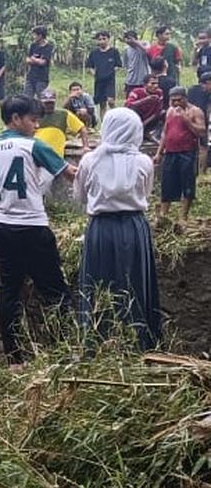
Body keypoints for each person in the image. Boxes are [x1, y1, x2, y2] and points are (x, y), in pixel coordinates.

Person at [0, 96, 75, 363]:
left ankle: (13, 354)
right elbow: (69, 173)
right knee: (54, 288)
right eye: (32, 119)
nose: (36, 125)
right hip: (33, 225)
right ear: (16, 118)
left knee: (9, 290)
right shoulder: (32, 146)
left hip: (4, 228)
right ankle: (69, 347)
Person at [74, 108, 161, 350]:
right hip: (134, 228)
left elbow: (80, 196)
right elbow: (146, 193)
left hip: (101, 229)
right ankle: (138, 341)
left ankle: (97, 340)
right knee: (133, 281)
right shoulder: (143, 161)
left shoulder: (89, 160)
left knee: (99, 282)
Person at [155, 86, 205, 223]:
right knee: (167, 183)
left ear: (185, 98)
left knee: (187, 183)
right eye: (173, 100)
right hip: (170, 152)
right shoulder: (170, 111)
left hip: (187, 152)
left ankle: (183, 216)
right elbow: (165, 132)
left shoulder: (195, 111)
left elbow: (201, 132)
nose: (176, 103)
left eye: (179, 100)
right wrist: (159, 152)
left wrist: (186, 119)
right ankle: (163, 214)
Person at [35, 88, 88, 158]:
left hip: (56, 157)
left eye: (51, 103)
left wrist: (85, 146)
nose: (49, 105)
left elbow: (82, 128)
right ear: (41, 102)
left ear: (55, 102)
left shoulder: (63, 114)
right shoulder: (34, 115)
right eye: (46, 103)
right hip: (37, 154)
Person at [85, 31, 122, 120]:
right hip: (99, 81)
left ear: (108, 39)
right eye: (99, 39)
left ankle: (118, 119)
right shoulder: (94, 53)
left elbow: (118, 65)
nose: (102, 41)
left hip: (110, 80)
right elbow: (89, 67)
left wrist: (110, 72)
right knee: (102, 104)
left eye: (104, 39)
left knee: (111, 101)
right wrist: (95, 74)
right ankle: (104, 126)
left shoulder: (114, 51)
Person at [126, 74, 165, 139]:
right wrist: (145, 100)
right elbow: (129, 105)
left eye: (157, 83)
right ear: (145, 85)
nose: (156, 86)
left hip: (149, 120)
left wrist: (144, 123)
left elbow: (157, 112)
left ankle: (153, 133)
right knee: (133, 109)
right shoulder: (136, 92)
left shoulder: (159, 93)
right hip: (137, 119)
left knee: (163, 113)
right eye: (152, 83)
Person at [24, 25, 54, 100]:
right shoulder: (33, 45)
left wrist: (33, 59)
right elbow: (27, 60)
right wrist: (36, 60)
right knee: (26, 99)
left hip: (41, 78)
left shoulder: (48, 47)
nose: (33, 37)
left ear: (40, 35)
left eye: (35, 35)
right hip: (30, 77)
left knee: (41, 100)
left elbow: (43, 62)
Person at [122, 30, 150, 98]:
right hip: (131, 80)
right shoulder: (126, 50)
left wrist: (135, 42)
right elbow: (126, 65)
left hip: (143, 80)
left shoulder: (144, 44)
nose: (128, 41)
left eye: (130, 38)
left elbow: (148, 51)